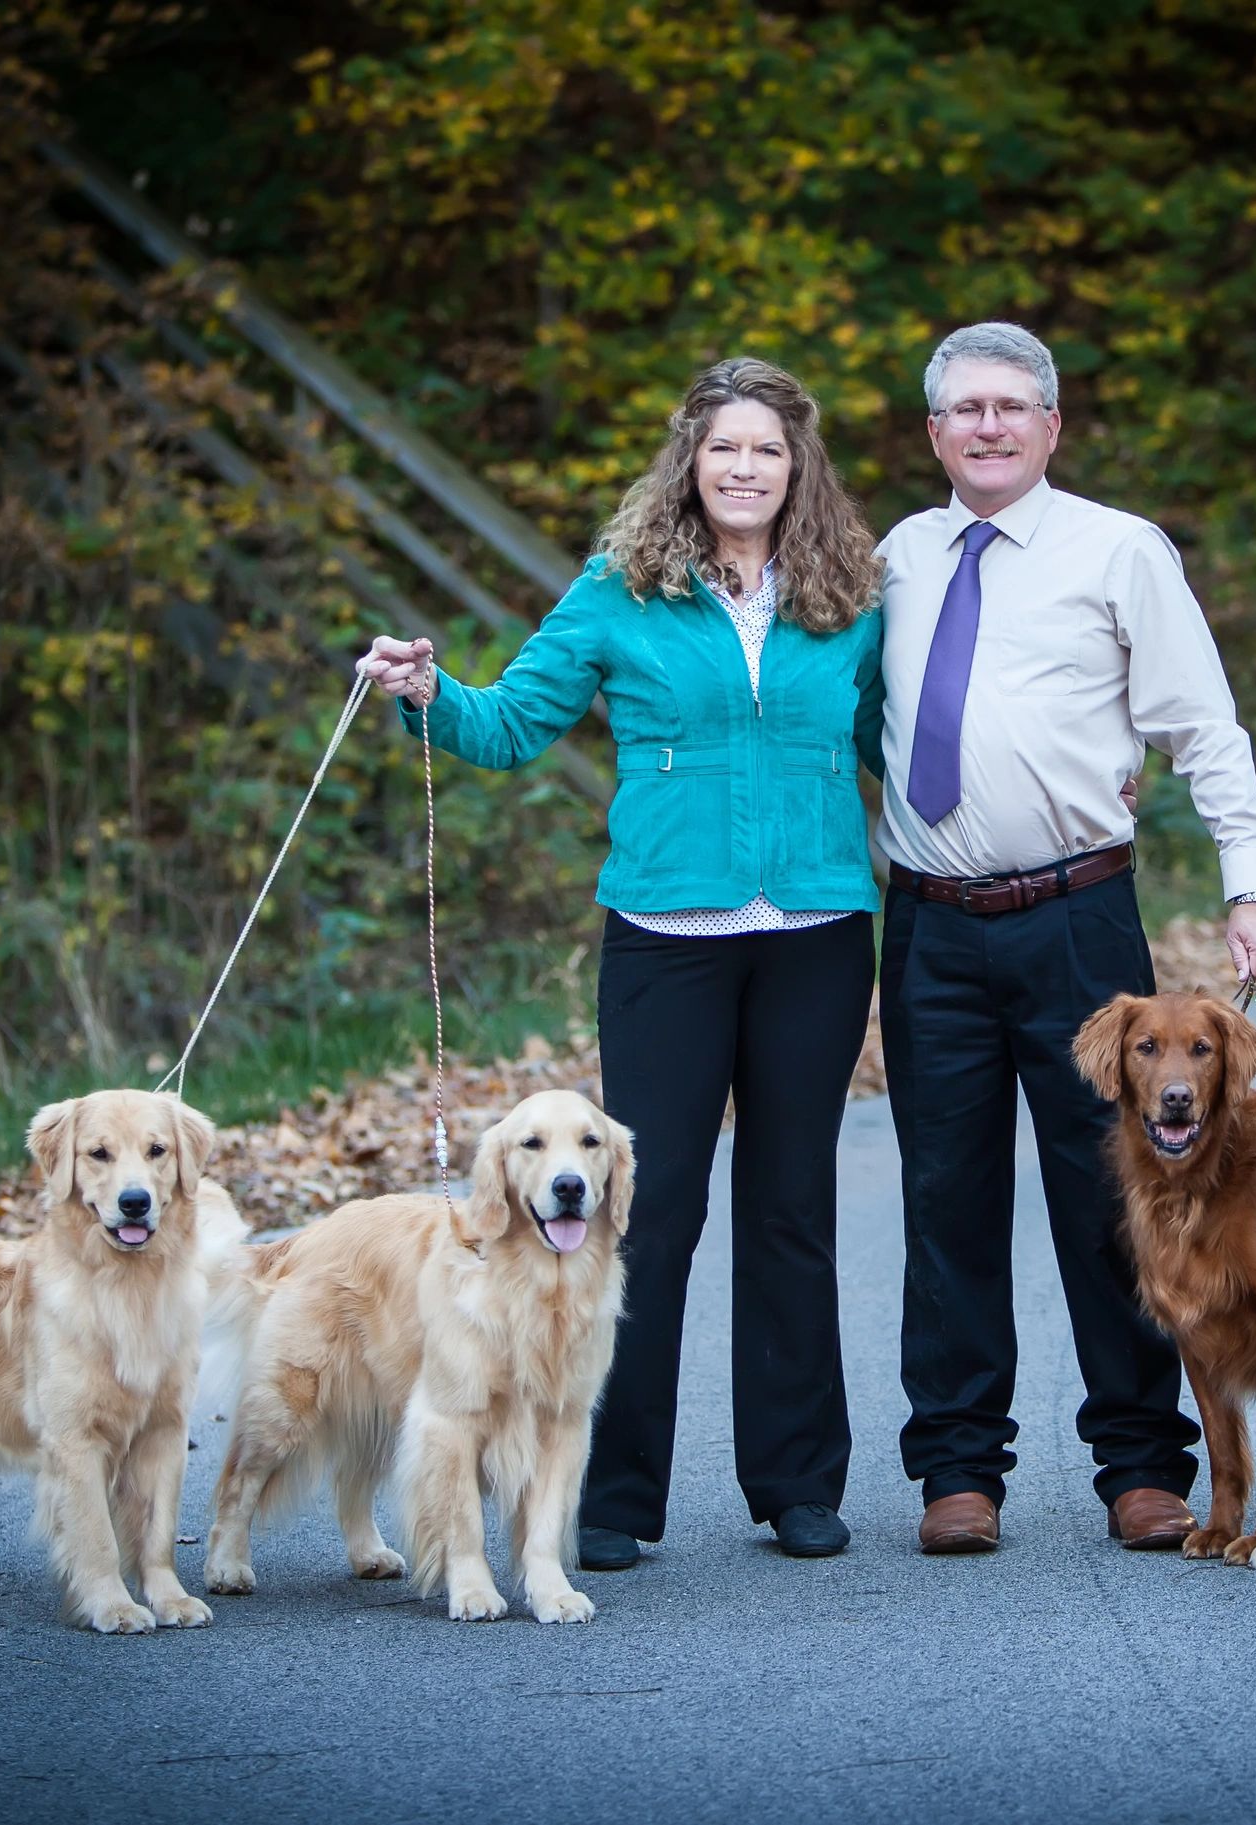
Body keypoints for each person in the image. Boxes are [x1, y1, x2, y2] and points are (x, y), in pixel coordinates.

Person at [356, 357, 885, 1567]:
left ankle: (797, 1482)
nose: (744, 467)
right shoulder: (617, 592)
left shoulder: (848, 597)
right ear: (688, 463)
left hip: (814, 936)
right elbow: (506, 724)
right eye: (722, 447)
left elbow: (900, 747)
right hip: (666, 944)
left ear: (797, 466)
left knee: (793, 1207)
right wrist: (427, 694)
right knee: (645, 1212)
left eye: (767, 448)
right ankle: (610, 1496)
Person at [872, 321, 1256, 1555]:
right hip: (930, 931)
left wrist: (1252, 880)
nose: (988, 427)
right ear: (935, 432)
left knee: (1117, 1198)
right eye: (964, 410)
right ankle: (958, 1472)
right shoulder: (897, 558)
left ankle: (1142, 1465)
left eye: (1012, 406)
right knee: (944, 1199)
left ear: (1051, 427)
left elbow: (1203, 728)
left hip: (1075, 918)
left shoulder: (1121, 552)